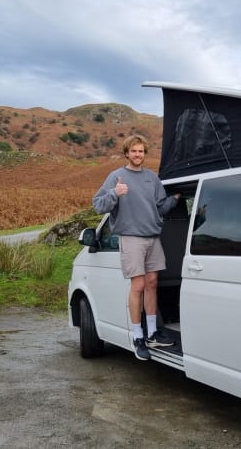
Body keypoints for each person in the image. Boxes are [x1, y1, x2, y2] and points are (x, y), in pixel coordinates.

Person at [93, 135, 180, 361]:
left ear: (145, 153)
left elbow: (160, 207)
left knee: (152, 283)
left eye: (141, 151)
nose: (138, 155)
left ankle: (152, 333)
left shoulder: (152, 178)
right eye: (133, 151)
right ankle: (137, 335)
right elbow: (97, 204)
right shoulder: (116, 177)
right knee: (139, 285)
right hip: (131, 238)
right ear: (127, 153)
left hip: (153, 237)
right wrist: (115, 193)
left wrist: (176, 198)